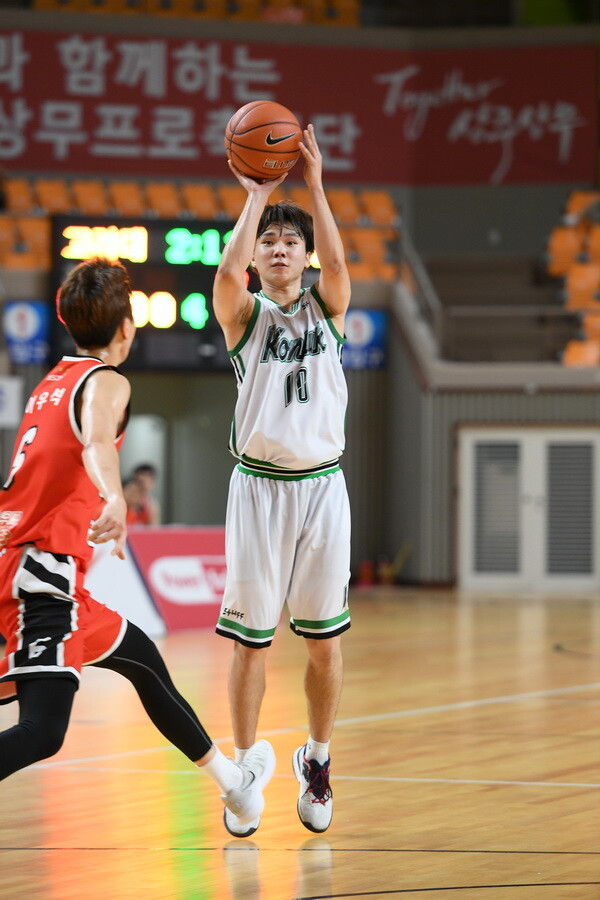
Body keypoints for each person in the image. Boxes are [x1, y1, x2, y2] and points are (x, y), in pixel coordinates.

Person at [0, 257, 275, 828]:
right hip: (42, 577)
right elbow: (98, 443)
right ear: (127, 326)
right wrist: (116, 498)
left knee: (144, 661)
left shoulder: (50, 382)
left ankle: (236, 790)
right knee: (43, 731)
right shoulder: (106, 381)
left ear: (64, 319)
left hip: (33, 569)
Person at [213, 124, 351, 837]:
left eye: (290, 241)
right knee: (251, 642)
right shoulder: (245, 316)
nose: (276, 249)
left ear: (305, 255)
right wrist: (257, 196)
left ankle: (316, 760)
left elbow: (339, 262)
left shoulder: (329, 308)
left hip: (323, 489)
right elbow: (224, 274)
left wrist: (315, 186)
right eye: (267, 241)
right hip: (258, 489)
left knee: (324, 643)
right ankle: (243, 772)